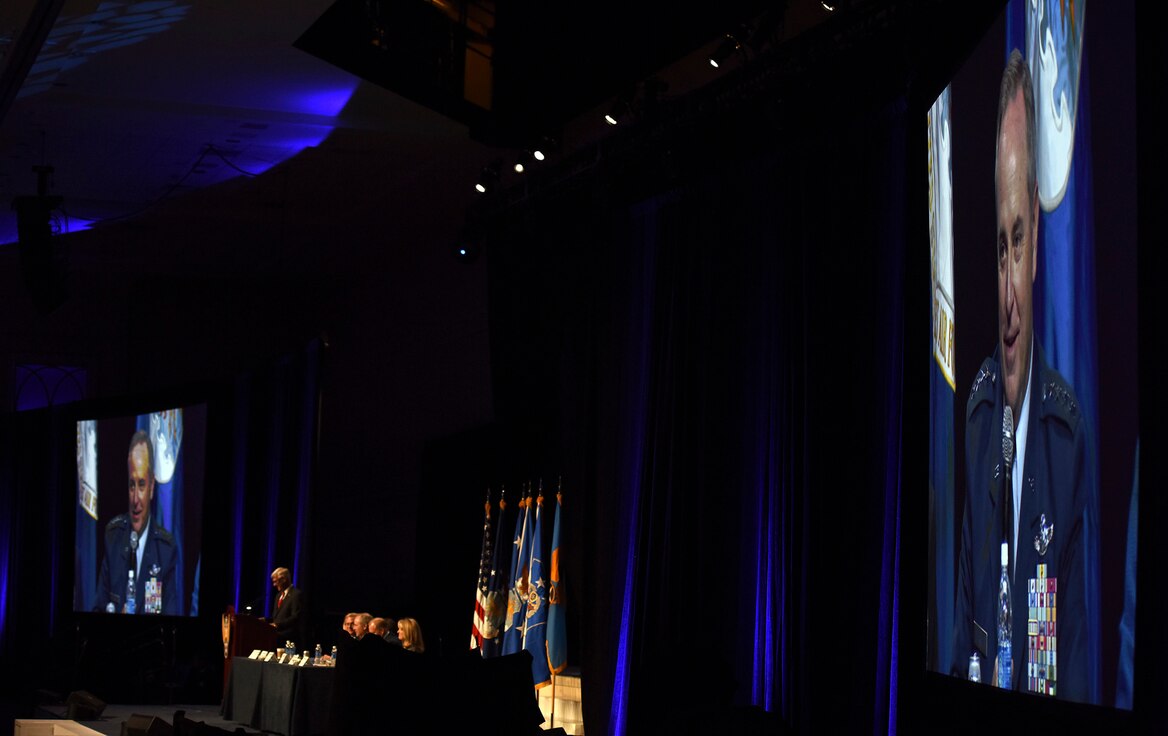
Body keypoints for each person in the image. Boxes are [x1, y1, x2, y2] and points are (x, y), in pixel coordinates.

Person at [952, 49, 1090, 702]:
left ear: (1038, 239)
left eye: (1020, 239)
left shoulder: (1067, 435)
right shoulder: (974, 414)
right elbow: (957, 622)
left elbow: (1075, 655)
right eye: (999, 245)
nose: (1009, 294)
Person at [95, 430, 180, 615]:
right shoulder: (113, 537)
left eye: (141, 485)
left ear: (151, 488)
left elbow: (171, 618)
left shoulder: (165, 550)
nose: (135, 499)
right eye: (131, 485)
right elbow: (98, 609)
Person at [269, 567, 306, 649]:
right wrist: (265, 621)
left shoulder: (296, 595)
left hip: (289, 640)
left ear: (284, 579)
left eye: (276, 581)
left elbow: (295, 617)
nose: (274, 585)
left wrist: (277, 625)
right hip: (276, 638)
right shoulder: (278, 596)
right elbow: (277, 617)